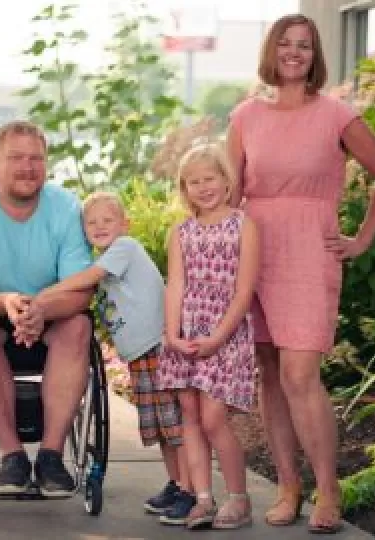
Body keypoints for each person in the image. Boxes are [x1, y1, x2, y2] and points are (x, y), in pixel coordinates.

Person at [226, 14, 375, 534]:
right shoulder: (245, 115)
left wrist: (362, 238)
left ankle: (329, 488)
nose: (294, 52)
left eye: (304, 45)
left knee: (301, 373)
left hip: (308, 251)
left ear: (315, 54)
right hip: (254, 249)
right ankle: (288, 485)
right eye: (285, 43)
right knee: (269, 372)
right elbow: (230, 194)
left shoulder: (335, 114)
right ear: (271, 50)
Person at [0, 120, 94, 497]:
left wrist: (39, 308)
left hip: (51, 311)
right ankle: (12, 457)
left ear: (47, 163)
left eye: (36, 158)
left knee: (78, 328)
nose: (27, 167)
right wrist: (7, 303)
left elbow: (80, 293)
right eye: (16, 158)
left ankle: (52, 457)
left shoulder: (67, 209)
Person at [37, 191, 196, 522]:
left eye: (107, 220)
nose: (99, 227)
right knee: (162, 428)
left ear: (125, 224)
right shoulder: (108, 259)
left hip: (158, 348)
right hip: (141, 355)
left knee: (175, 426)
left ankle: (192, 492)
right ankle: (177, 483)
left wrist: (46, 294)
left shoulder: (124, 249)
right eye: (91, 222)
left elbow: (87, 279)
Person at [158, 142, 260, 530]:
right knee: (190, 416)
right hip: (187, 332)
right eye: (193, 182)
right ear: (184, 190)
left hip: (225, 332)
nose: (203, 188)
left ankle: (239, 497)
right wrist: (172, 333)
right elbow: (176, 286)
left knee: (215, 418)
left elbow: (244, 290)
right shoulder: (180, 232)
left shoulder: (243, 225)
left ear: (226, 179)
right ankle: (202, 497)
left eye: (210, 178)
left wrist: (219, 337)